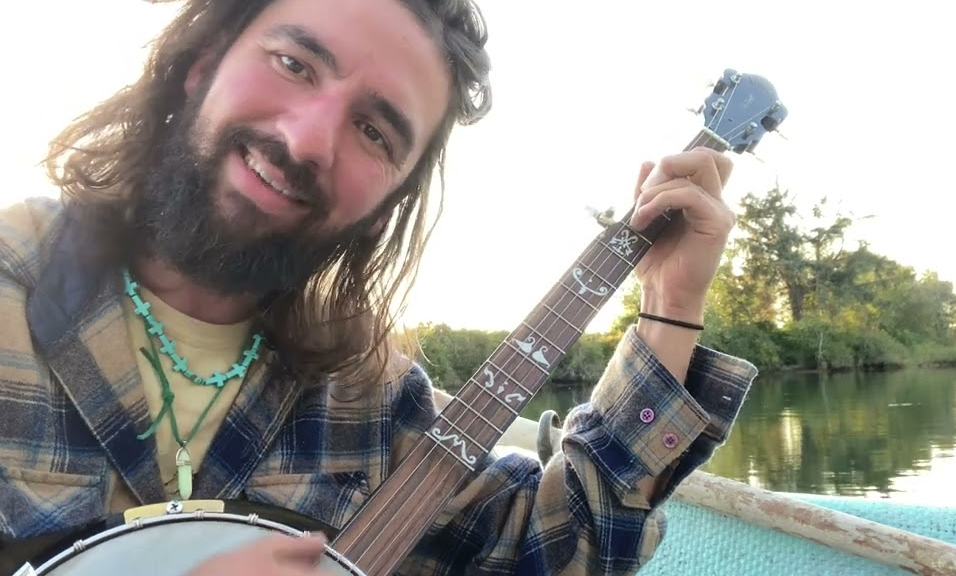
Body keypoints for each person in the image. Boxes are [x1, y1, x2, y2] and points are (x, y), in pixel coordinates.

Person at [0, 0, 758, 574]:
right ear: (204, 61)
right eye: (294, 63)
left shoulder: (368, 397)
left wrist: (670, 305)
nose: (306, 139)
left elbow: (564, 552)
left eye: (374, 131)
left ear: (387, 202)